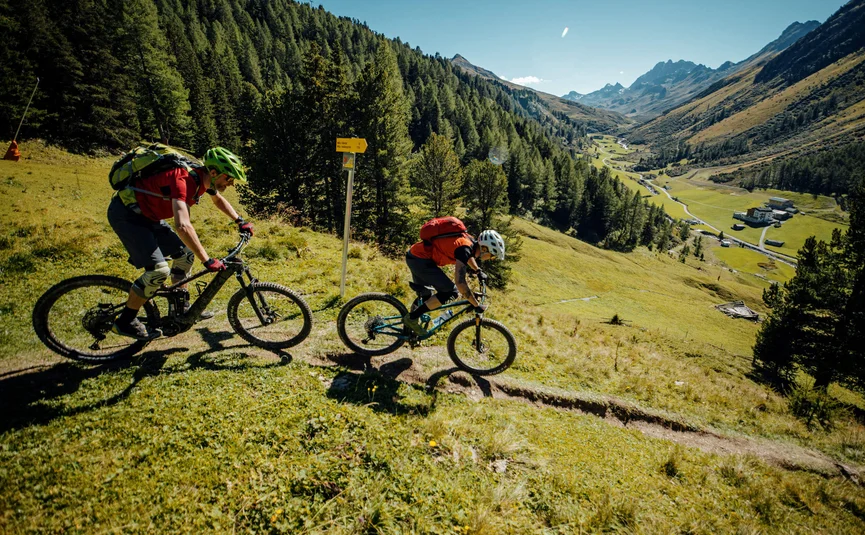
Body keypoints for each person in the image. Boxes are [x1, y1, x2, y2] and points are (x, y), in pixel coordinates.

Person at [107, 147, 254, 340]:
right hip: (127, 216)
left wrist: (239, 220)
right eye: (229, 178)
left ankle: (180, 309)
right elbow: (182, 226)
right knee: (158, 271)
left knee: (185, 256)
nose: (231, 183)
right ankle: (124, 321)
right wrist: (207, 260)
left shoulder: (202, 178)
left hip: (149, 215)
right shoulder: (182, 180)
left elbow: (218, 200)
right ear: (214, 172)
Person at [402, 227, 506, 335]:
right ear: (484, 249)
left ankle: (408, 330)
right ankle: (412, 318)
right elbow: (460, 282)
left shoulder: (469, 242)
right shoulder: (464, 248)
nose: (491, 258)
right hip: (420, 261)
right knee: (451, 292)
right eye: (492, 255)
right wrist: (476, 304)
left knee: (425, 296)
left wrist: (478, 271)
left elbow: (468, 256)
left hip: (416, 256)